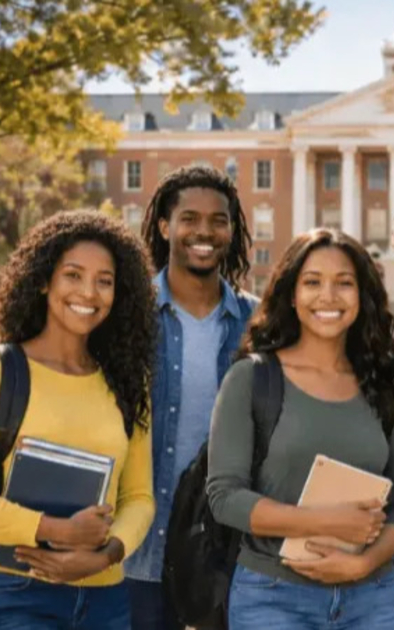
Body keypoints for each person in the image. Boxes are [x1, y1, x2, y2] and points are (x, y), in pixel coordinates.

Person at [0, 210, 157, 629]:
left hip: (105, 598)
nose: (88, 292)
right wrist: (55, 530)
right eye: (72, 275)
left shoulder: (127, 385)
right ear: (42, 280)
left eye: (104, 281)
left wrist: (105, 554)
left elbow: (140, 497)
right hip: (11, 594)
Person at [206, 228, 394, 630]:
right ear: (292, 293)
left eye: (344, 283)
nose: (328, 296)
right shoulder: (251, 379)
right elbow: (225, 497)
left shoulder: (384, 384)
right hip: (272, 598)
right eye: (312, 282)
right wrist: (327, 522)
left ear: (363, 296)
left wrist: (365, 561)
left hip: (373, 600)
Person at [125, 165, 259, 630]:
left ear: (232, 230)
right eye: (190, 218)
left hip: (227, 555)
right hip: (136, 553)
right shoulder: (128, 314)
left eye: (219, 220)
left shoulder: (258, 324)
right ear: (165, 226)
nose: (204, 231)